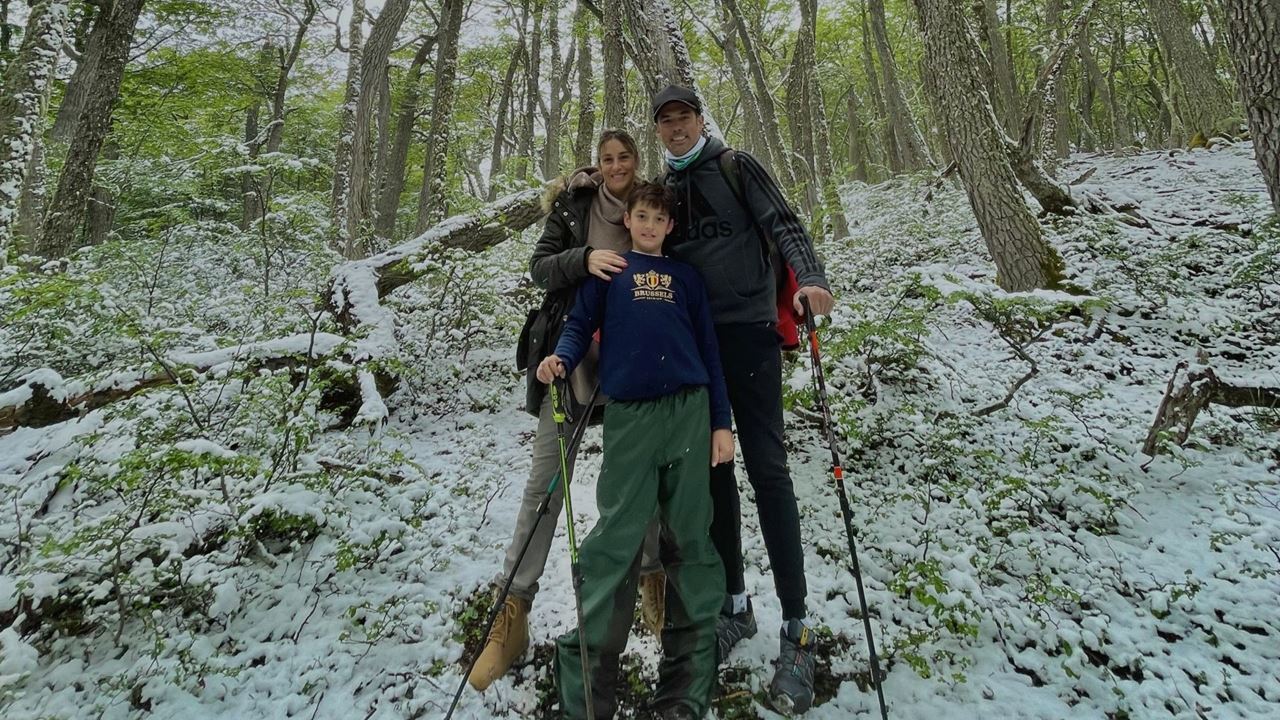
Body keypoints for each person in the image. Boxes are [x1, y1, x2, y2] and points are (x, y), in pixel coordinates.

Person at [652, 84, 836, 715]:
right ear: (658, 130)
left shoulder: (738, 166)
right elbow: (641, 237)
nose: (677, 129)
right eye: (666, 122)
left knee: (769, 471)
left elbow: (784, 223)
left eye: (684, 118)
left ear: (701, 120)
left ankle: (797, 627)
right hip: (697, 348)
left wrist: (810, 278)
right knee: (716, 472)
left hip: (752, 334)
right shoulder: (665, 188)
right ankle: (734, 604)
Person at [469, 131, 665, 692]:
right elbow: (540, 267)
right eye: (608, 159)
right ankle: (513, 612)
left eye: (625, 157)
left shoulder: (651, 207)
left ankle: (655, 587)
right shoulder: (574, 205)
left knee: (642, 481)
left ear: (636, 162)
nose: (616, 166)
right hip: (570, 358)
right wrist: (585, 259)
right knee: (544, 484)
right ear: (597, 165)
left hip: (634, 365)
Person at [538, 181, 731, 720]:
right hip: (629, 417)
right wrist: (559, 358)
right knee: (615, 541)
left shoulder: (686, 278)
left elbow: (709, 351)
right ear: (628, 220)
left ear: (670, 227)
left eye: (658, 219)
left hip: (689, 411)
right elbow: (578, 327)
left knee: (690, 538)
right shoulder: (611, 273)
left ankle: (684, 695)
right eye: (640, 216)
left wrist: (721, 422)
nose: (648, 225)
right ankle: (588, 694)